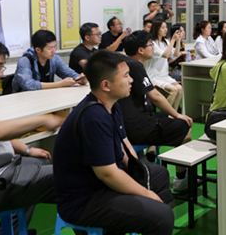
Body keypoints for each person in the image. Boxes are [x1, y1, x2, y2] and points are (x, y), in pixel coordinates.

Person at [53, 50, 174, 235]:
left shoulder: (111, 105)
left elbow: (124, 145)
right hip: (85, 199)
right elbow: (107, 174)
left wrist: (137, 171)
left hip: (102, 184)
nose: (131, 80)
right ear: (106, 85)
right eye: (126, 76)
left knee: (158, 174)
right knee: (162, 216)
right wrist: (145, 193)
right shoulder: (94, 117)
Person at [120, 31, 192, 191]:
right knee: (185, 124)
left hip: (128, 123)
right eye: (150, 45)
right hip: (137, 127)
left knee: (168, 117)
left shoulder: (124, 64)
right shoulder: (135, 66)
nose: (153, 48)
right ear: (140, 50)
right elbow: (155, 97)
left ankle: (152, 149)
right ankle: (181, 179)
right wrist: (177, 114)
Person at [0, 114, 64, 234]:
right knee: (67, 177)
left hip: (6, 165)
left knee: (43, 161)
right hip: (1, 177)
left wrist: (28, 150)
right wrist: (44, 119)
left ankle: (11, 230)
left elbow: (3, 133)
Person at [12, 30, 87, 92]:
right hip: (24, 98)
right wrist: (60, 84)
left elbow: (68, 72)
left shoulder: (55, 58)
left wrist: (79, 78)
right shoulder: (25, 61)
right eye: (50, 48)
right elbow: (28, 85)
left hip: (45, 95)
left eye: (55, 47)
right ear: (38, 50)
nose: (53, 51)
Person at [145, 20, 184, 110]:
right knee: (174, 90)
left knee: (180, 88)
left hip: (164, 75)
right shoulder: (152, 44)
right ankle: (167, 114)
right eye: (163, 27)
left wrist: (178, 40)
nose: (165, 29)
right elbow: (165, 55)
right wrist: (173, 40)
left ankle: (174, 114)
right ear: (156, 29)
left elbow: (175, 54)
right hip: (154, 76)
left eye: (166, 27)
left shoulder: (166, 41)